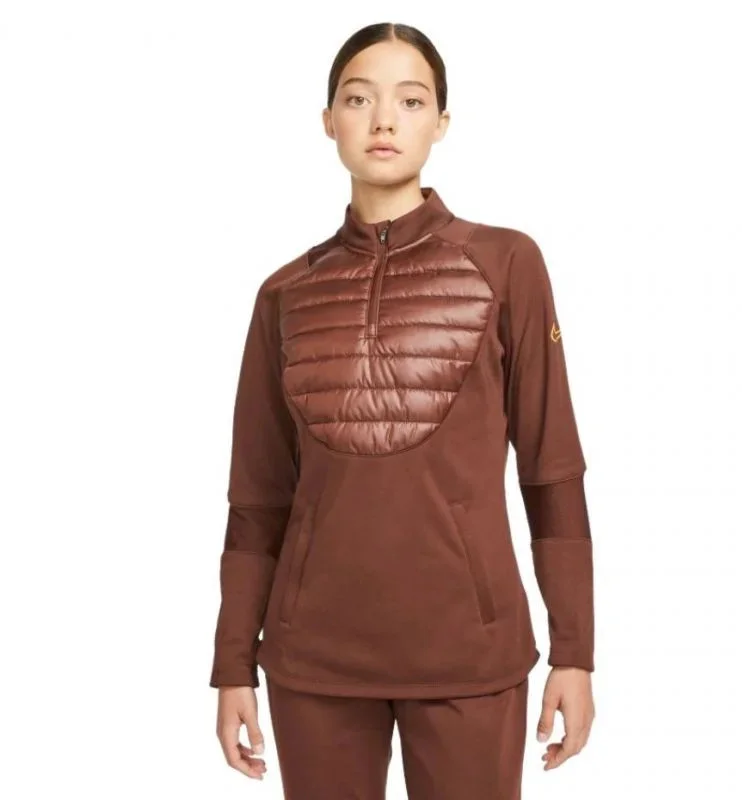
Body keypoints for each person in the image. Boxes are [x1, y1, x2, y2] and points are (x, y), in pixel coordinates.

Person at [209, 21, 596, 799]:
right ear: (329, 120)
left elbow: (552, 469)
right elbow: (257, 499)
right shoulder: (284, 294)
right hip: (312, 662)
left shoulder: (507, 263)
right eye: (359, 99)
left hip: (470, 655)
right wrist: (232, 664)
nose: (384, 119)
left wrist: (575, 653)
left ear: (440, 122)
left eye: (410, 101)